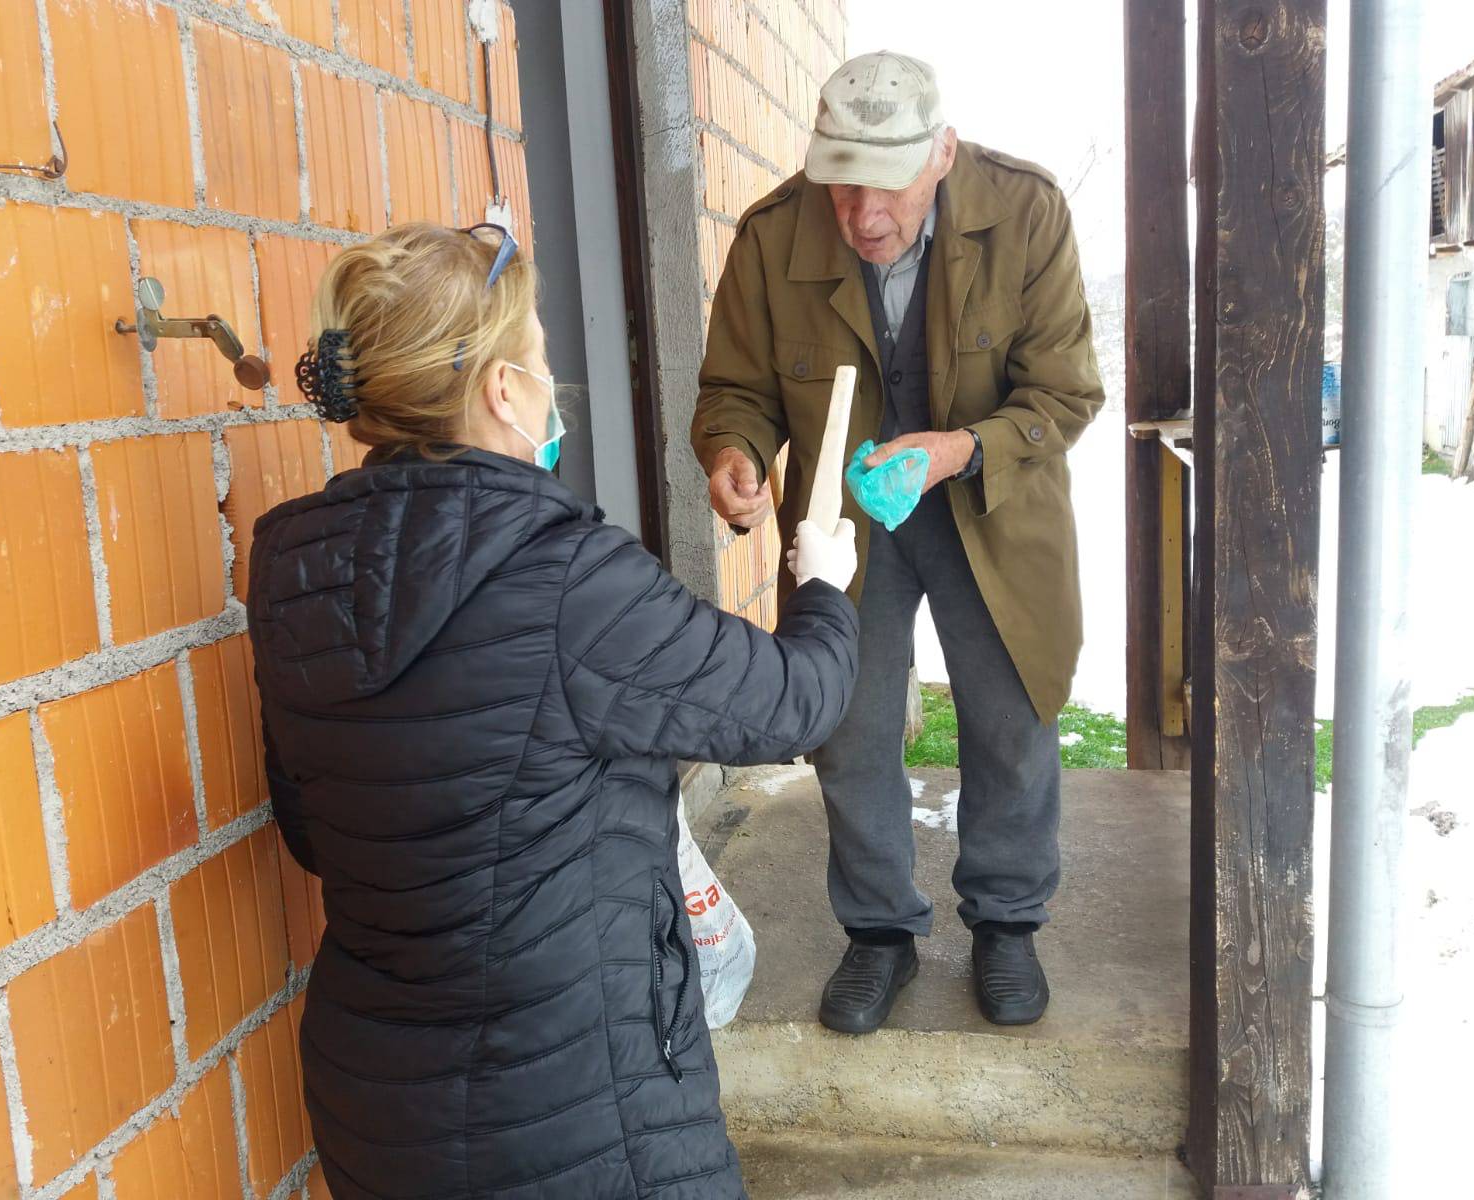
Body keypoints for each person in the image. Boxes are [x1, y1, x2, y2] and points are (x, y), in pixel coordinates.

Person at [246, 222, 860, 1199]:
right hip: (578, 1115)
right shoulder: (566, 575)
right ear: (500, 389)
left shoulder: (289, 566)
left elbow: (313, 829)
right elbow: (793, 704)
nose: (548, 381)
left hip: (375, 1110)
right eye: (537, 355)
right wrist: (822, 583)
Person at [692, 51, 1104, 1036]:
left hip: (989, 507)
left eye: (884, 188)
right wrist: (735, 453)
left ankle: (1006, 920)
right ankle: (878, 934)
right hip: (843, 522)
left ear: (942, 155)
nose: (860, 216)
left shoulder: (1027, 213)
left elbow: (1065, 392)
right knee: (848, 722)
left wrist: (961, 447)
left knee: (1009, 713)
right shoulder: (772, 234)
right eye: (840, 185)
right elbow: (735, 390)